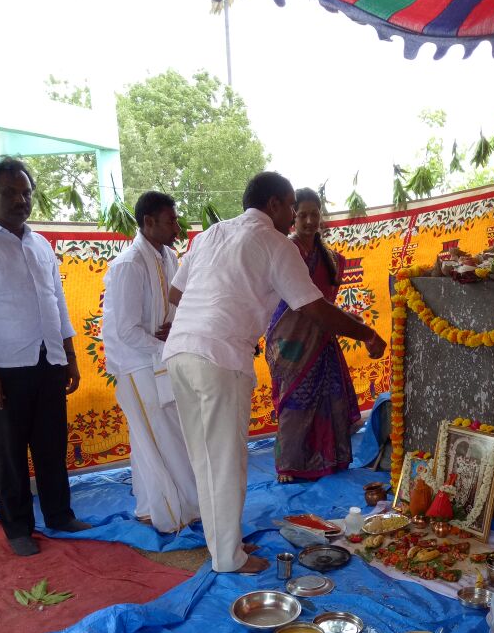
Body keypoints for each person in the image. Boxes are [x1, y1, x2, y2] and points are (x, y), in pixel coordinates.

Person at [164, 171, 387, 575]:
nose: (294, 216)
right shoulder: (274, 242)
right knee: (225, 461)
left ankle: (224, 545)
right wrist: (367, 334)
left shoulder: (211, 234)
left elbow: (176, 293)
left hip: (179, 352)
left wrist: (221, 310)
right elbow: (313, 307)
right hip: (219, 357)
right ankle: (228, 558)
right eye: (291, 207)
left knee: (206, 459)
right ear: (274, 205)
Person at [0, 156, 89, 556]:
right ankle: (18, 528)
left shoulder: (40, 244)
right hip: (4, 368)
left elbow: (57, 303)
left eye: (26, 193)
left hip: (49, 361)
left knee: (51, 445)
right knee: (10, 453)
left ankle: (59, 515)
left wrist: (70, 355)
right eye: (10, 192)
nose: (20, 200)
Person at [102, 191, 200, 533]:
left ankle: (151, 507)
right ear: (148, 222)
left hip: (159, 358)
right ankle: (175, 513)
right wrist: (165, 344)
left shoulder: (168, 256)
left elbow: (175, 305)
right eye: (171, 221)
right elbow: (126, 331)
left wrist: (176, 329)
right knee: (157, 436)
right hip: (135, 363)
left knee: (155, 436)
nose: (177, 227)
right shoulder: (128, 265)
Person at [265, 188, 361, 483]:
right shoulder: (285, 251)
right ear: (293, 217)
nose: (309, 221)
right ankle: (289, 465)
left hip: (322, 339)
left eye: (314, 214)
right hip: (292, 340)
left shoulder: (330, 258)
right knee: (294, 400)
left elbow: (324, 303)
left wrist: (346, 319)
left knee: (329, 398)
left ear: (321, 216)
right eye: (303, 215)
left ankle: (330, 458)